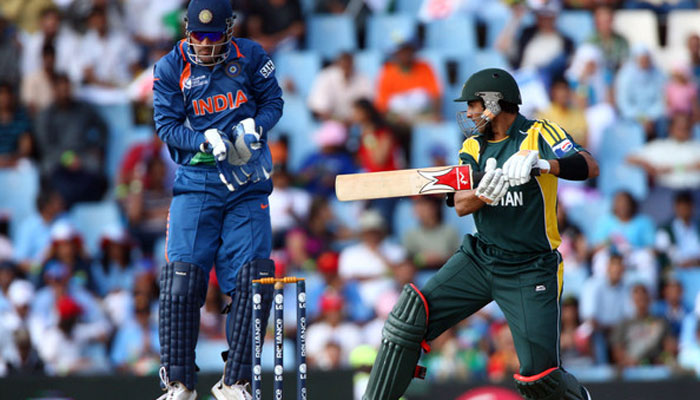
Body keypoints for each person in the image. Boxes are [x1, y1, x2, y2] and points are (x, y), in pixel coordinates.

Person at [362, 68, 599, 400]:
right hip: (481, 258)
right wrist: (484, 194)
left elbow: (589, 165)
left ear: (494, 103)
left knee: (540, 378)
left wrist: (543, 165)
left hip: (531, 267)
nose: (470, 113)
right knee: (408, 318)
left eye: (474, 104)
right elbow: (460, 204)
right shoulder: (473, 146)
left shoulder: (538, 133)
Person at [151, 0, 283, 399]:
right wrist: (201, 139)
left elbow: (273, 103)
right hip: (197, 181)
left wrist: (253, 127)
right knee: (182, 280)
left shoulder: (251, 55)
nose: (205, 45)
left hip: (247, 182)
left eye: (213, 37)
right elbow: (166, 126)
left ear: (229, 30)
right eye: (197, 36)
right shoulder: (170, 67)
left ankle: (235, 383)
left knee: (254, 279)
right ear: (186, 33)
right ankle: (178, 384)